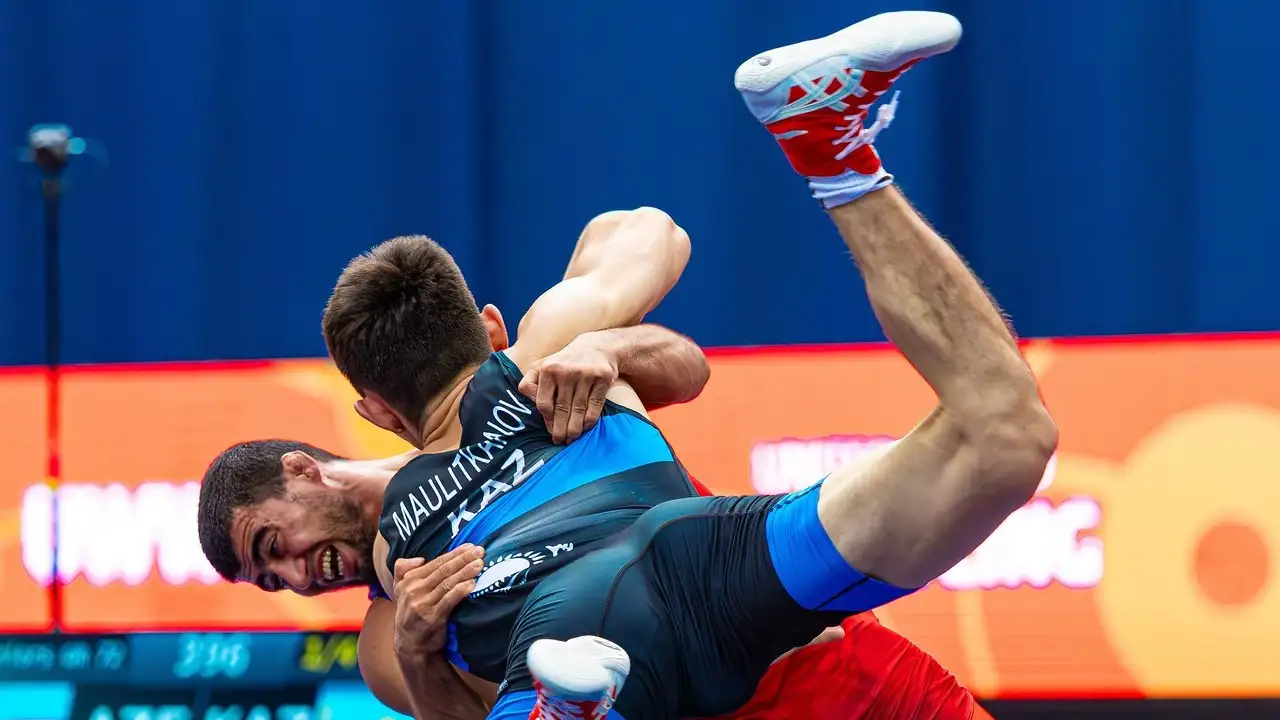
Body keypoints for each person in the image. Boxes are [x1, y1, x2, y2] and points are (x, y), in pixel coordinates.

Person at [319, 11, 1052, 720]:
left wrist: (602, 346)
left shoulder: (538, 368)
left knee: (1007, 436)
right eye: (272, 577)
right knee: (1004, 436)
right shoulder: (538, 357)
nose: (296, 573)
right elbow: (649, 232)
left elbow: (674, 321)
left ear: (373, 412)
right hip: (706, 607)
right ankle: (834, 157)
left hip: (778, 634)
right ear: (489, 324)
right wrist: (597, 339)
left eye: (272, 549)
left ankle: (831, 149)